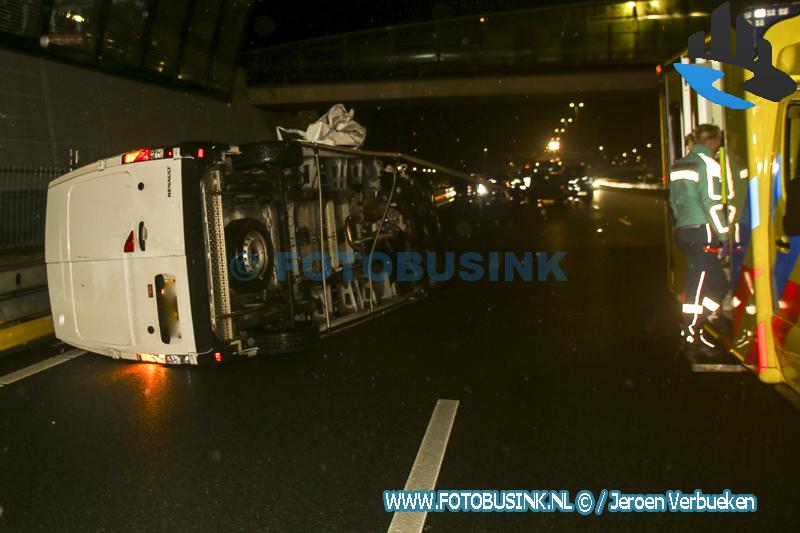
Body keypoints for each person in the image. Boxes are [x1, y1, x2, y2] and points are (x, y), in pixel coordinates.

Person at [669, 124, 730, 356]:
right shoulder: (708, 164)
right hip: (702, 231)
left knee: (720, 285)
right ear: (713, 142)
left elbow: (674, 202)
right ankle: (691, 335)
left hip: (684, 230)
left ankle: (696, 323)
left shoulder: (680, 165)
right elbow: (712, 204)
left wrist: (683, 222)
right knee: (698, 287)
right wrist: (724, 235)